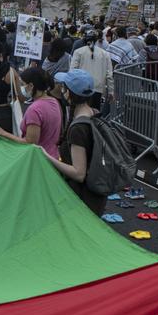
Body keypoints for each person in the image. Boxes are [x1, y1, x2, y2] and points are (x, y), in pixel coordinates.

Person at [44, 69, 106, 216]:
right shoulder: (94, 113)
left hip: (81, 199)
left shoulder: (78, 128)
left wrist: (47, 157)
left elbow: (79, 173)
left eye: (64, 88)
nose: (62, 90)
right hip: (95, 196)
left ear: (70, 93)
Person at [0, 67, 63, 159]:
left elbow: (30, 142)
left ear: (31, 86)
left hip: (38, 159)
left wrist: (3, 133)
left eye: (23, 84)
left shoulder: (34, 109)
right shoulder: (54, 101)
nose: (22, 88)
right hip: (53, 156)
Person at [69, 31, 114, 115]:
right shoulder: (105, 54)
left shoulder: (78, 52)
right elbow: (109, 74)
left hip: (81, 88)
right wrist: (111, 91)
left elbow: (72, 71)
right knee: (95, 114)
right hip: (97, 88)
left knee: (79, 113)